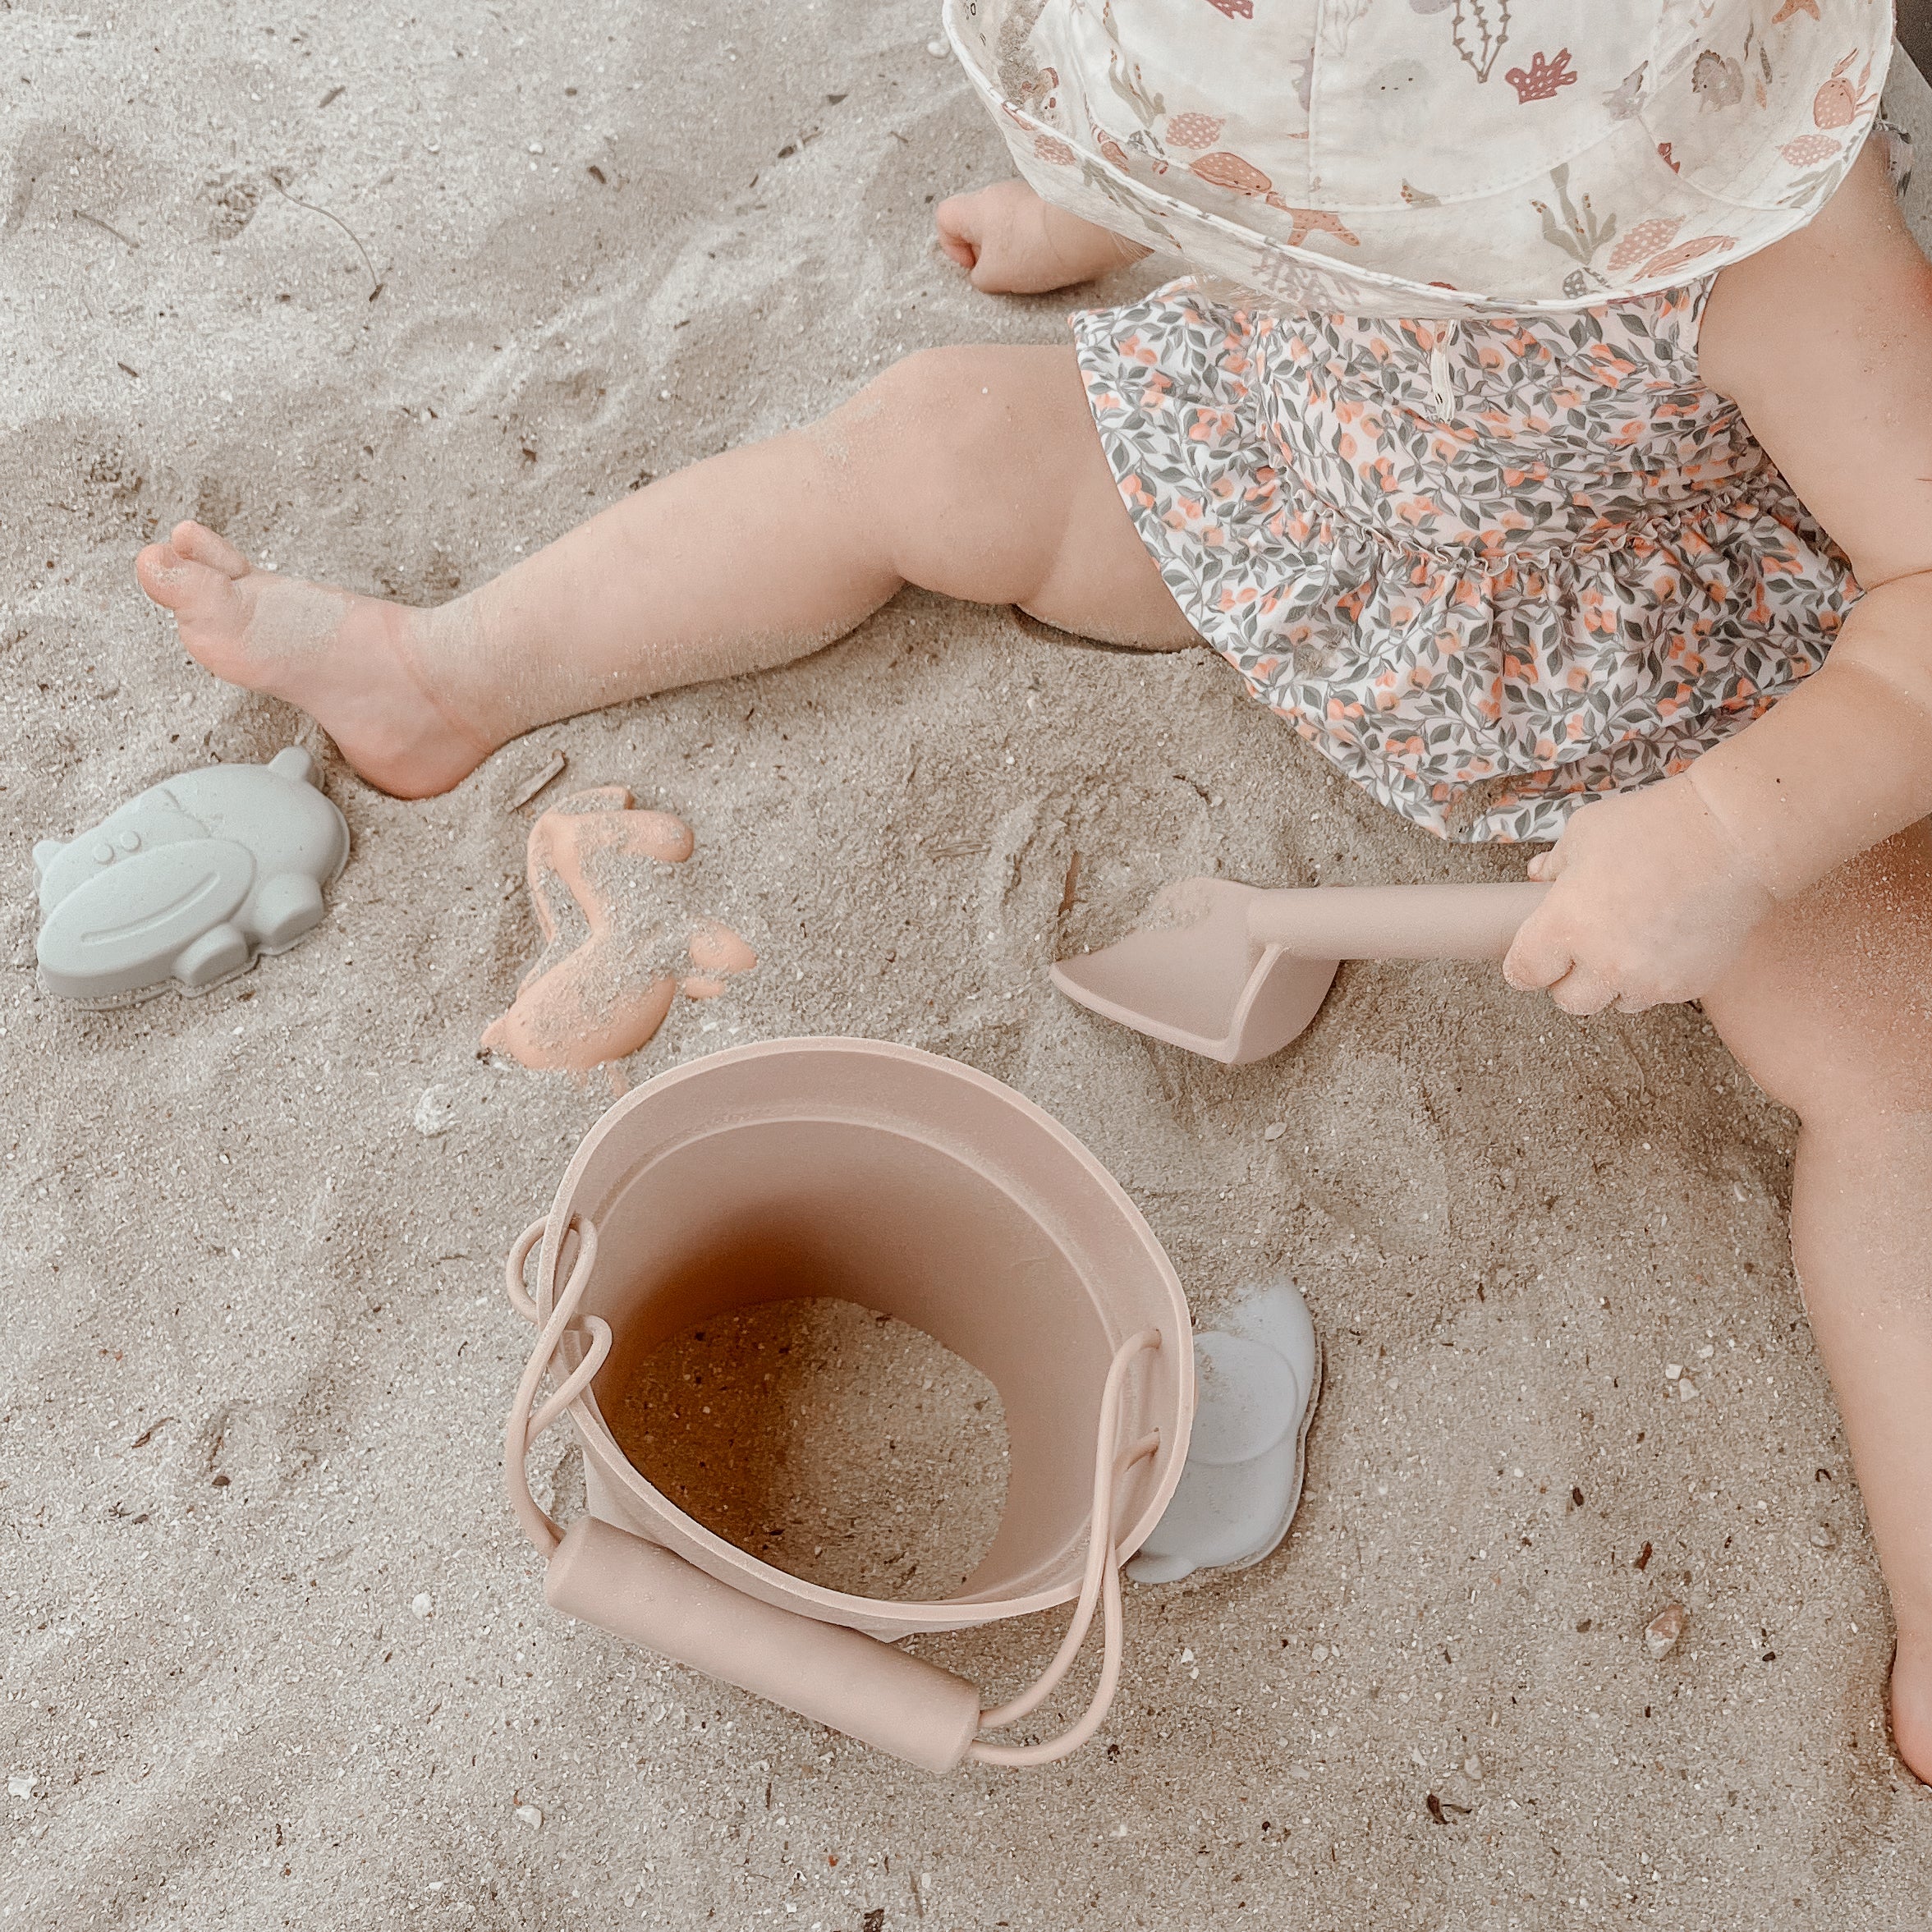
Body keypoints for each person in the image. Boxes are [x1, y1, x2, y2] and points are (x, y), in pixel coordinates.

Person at [133, 0, 1930, 1779]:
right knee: (920, 440)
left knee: (1893, 1074)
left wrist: (1727, 835)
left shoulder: (1763, 214)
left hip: (1686, 677)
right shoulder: (1277, 88)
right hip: (1295, 491)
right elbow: (1269, 97)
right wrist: (1134, 181)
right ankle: (448, 672)